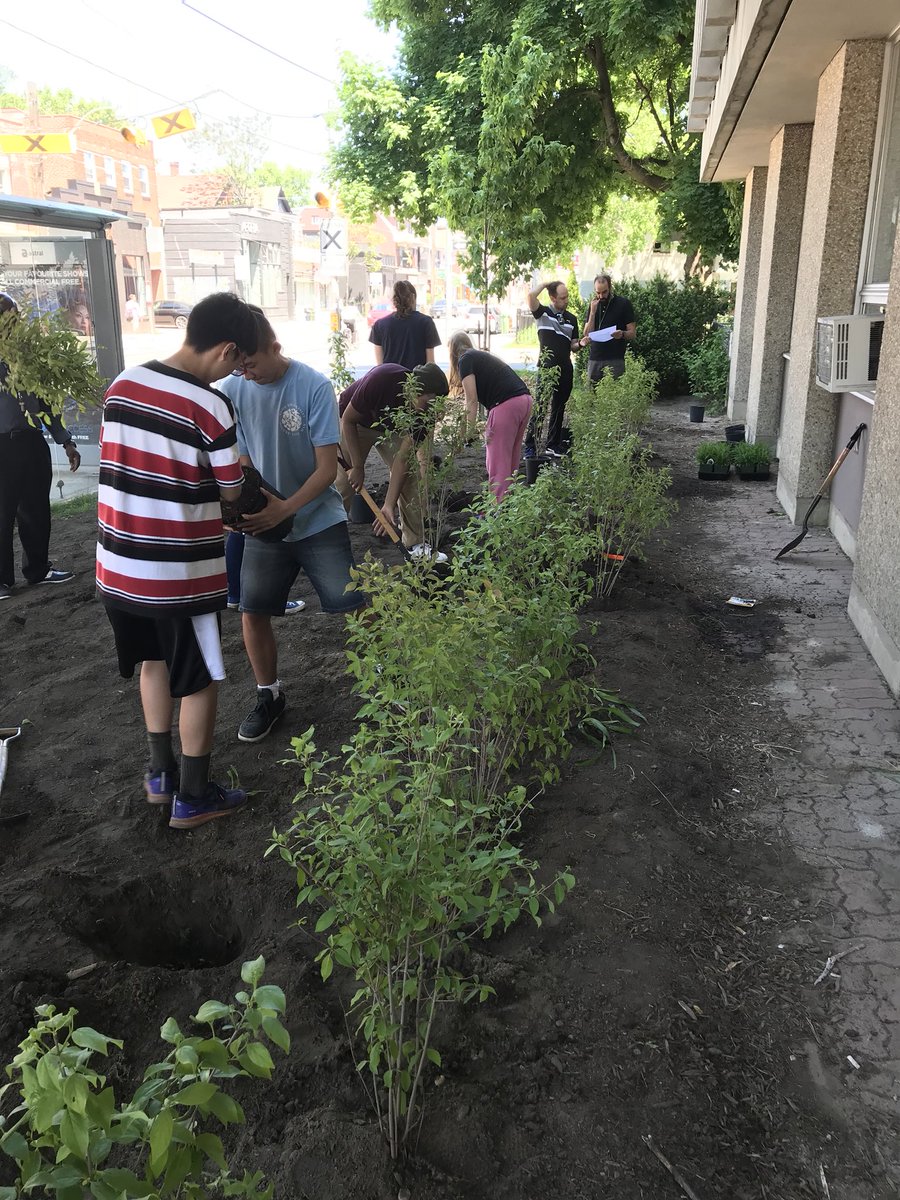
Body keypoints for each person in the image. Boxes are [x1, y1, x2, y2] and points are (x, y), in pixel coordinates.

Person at [96, 291, 260, 829]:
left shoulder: (122, 385)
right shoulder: (209, 405)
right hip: (176, 574)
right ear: (227, 349)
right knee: (202, 677)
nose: (235, 372)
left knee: (153, 663)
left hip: (119, 565)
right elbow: (232, 492)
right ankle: (194, 795)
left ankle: (160, 774)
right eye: (238, 361)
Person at [218, 306, 366, 745]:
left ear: (275, 347)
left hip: (318, 518)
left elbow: (326, 471)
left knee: (353, 603)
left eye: (253, 363)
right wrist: (251, 505)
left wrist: (285, 509)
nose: (247, 373)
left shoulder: (313, 385)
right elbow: (243, 459)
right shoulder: (233, 389)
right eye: (239, 365)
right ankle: (270, 695)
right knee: (253, 610)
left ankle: (385, 677)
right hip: (266, 521)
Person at [0, 292, 80, 601]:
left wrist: (65, 441)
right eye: (7, 318)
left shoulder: (30, 355)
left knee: (35, 508)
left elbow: (45, 403)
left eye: (15, 317)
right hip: (2, 445)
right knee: (2, 513)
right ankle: (2, 581)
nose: (13, 324)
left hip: (32, 441)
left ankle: (38, 569)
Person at [335, 361, 449, 562]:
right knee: (343, 482)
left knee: (411, 476)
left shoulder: (424, 415)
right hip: (356, 423)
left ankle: (415, 543)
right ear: (415, 390)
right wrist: (357, 466)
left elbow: (403, 460)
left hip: (391, 428)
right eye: (428, 402)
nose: (430, 410)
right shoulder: (382, 378)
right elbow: (348, 420)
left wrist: (388, 505)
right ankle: (328, 540)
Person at [447, 331, 532, 502]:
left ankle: (497, 513)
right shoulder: (480, 356)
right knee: (511, 462)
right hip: (525, 401)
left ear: (453, 352)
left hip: (505, 406)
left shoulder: (465, 360)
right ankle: (512, 508)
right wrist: (463, 434)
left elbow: (471, 401)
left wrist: (469, 435)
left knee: (498, 465)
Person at [524, 279, 580, 459]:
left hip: (565, 369)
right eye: (562, 298)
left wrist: (582, 343)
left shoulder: (572, 319)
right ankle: (531, 445)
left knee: (558, 407)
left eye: (567, 297)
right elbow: (531, 296)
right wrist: (546, 283)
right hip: (547, 368)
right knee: (540, 406)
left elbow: (573, 345)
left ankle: (553, 444)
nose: (566, 300)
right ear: (552, 298)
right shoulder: (543, 313)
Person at [369, 280, 440, 370]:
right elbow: (430, 364)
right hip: (416, 381)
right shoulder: (426, 322)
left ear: (394, 300)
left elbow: (380, 366)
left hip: (389, 381)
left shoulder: (379, 325)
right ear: (413, 298)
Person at [579, 274, 636, 383]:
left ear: (610, 288)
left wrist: (622, 334)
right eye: (598, 292)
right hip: (595, 359)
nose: (601, 296)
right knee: (592, 395)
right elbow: (587, 334)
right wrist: (592, 313)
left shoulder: (623, 304)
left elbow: (632, 333)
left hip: (615, 359)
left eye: (604, 292)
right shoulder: (593, 305)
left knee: (615, 394)